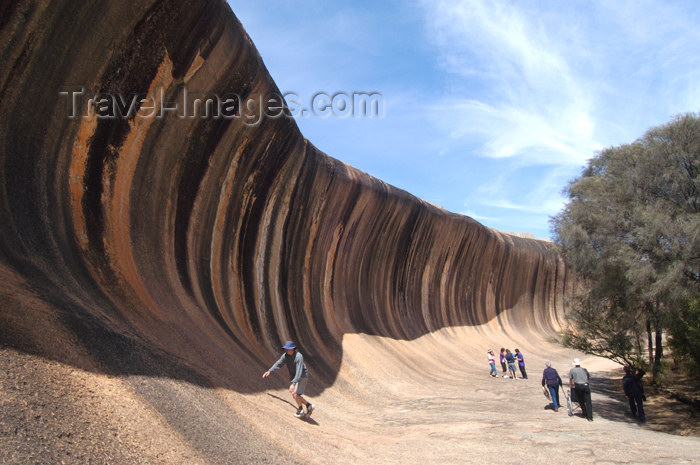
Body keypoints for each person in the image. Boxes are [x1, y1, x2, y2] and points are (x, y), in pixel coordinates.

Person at [262, 341, 314, 417]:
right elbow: (279, 363)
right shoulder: (285, 356)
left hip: (302, 376)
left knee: (294, 393)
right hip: (296, 376)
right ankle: (309, 405)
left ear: (293, 349)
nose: (287, 350)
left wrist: (293, 383)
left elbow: (299, 371)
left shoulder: (298, 356)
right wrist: (270, 370)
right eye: (286, 349)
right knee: (295, 394)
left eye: (288, 349)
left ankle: (301, 410)